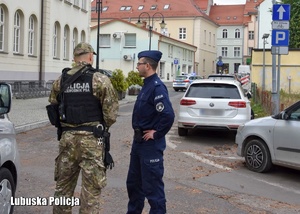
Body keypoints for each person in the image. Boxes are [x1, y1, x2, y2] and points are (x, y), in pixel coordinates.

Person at [48, 42, 119, 213]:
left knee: (63, 190)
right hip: (92, 142)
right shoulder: (100, 79)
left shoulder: (61, 80)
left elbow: (53, 108)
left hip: (67, 141)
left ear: (74, 58)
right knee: (90, 194)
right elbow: (111, 115)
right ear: (90, 56)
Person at [126, 50, 175, 214]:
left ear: (147, 66)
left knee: (153, 190)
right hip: (139, 144)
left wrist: (156, 133)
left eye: (139, 63)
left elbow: (167, 115)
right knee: (134, 185)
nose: (137, 66)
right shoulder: (147, 85)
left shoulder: (157, 87)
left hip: (150, 146)